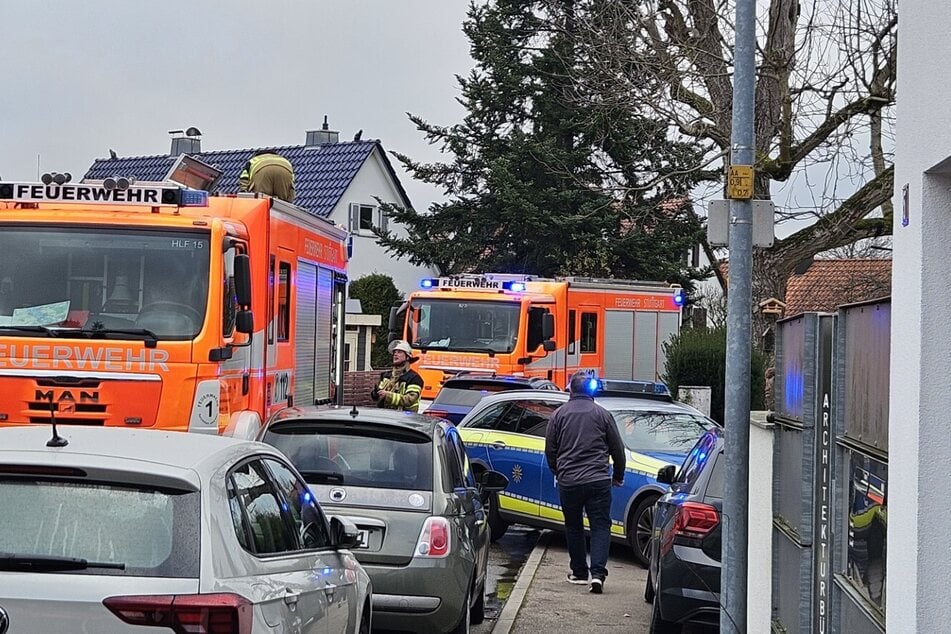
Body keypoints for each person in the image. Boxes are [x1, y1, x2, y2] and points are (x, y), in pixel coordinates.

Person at [545, 371, 626, 594]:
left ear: (570, 390)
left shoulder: (558, 415)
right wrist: (618, 475)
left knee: (573, 526)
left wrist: (558, 471)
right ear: (591, 391)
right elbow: (617, 449)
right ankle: (598, 574)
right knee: (600, 525)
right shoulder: (603, 415)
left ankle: (579, 572)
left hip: (569, 481)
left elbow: (550, 450)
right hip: (598, 480)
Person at [370, 340, 424, 412]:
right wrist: (375, 393)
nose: (395, 354)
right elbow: (377, 397)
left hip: (404, 419)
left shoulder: (414, 378)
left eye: (399, 352)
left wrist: (388, 396)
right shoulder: (386, 375)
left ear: (407, 357)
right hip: (384, 415)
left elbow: (410, 400)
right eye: (394, 352)